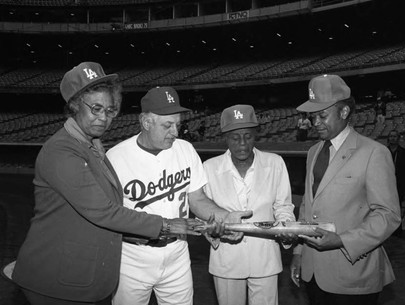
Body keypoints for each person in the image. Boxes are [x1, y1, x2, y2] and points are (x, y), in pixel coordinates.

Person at [12, 62, 204, 305]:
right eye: (95, 108)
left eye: (110, 110)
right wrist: (167, 226)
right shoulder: (62, 151)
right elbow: (103, 211)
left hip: (81, 272)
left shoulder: (90, 146)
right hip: (57, 278)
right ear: (73, 106)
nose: (103, 118)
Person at [106, 86, 251, 305]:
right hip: (133, 258)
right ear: (146, 122)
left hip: (178, 254)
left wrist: (224, 216)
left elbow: (198, 199)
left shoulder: (185, 149)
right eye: (167, 125)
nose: (175, 132)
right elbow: (109, 216)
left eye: (178, 124)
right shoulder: (116, 158)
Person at [290, 74, 401, 305]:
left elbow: (388, 215)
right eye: (312, 117)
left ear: (343, 112)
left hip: (353, 275)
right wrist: (299, 254)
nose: (315, 123)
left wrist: (342, 240)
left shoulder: (374, 153)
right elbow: (308, 208)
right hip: (313, 273)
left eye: (322, 115)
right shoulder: (313, 152)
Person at [202, 104, 296, 305]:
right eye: (235, 138)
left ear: (256, 135)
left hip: (266, 257)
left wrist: (286, 228)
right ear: (225, 137)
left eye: (248, 136)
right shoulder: (209, 168)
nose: (242, 143)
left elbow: (283, 207)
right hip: (226, 257)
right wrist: (212, 230)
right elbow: (203, 213)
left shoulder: (275, 163)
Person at [387, 130, 405, 236]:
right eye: (391, 136)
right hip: (385, 184)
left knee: (397, 207)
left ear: (398, 138)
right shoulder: (383, 151)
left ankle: (397, 229)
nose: (393, 138)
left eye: (395, 136)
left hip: (399, 185)